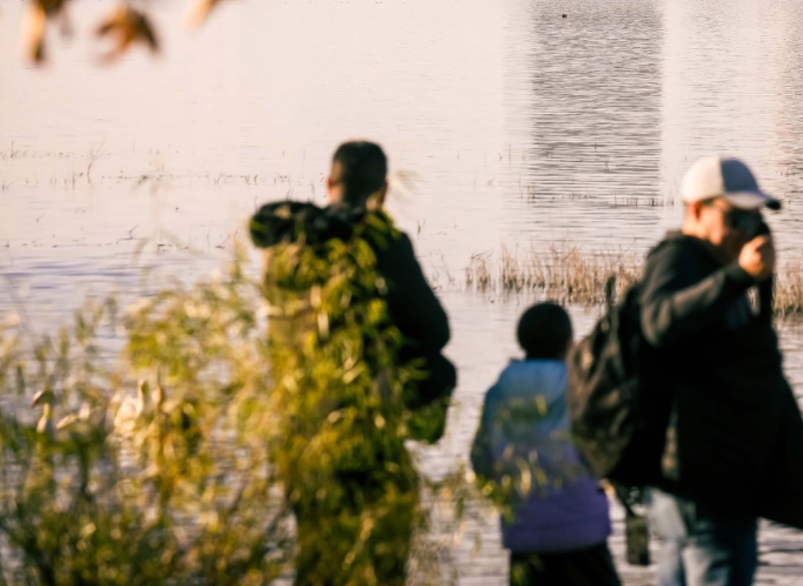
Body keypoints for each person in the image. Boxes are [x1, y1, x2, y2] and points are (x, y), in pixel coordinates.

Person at [249, 140, 455, 586]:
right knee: (382, 563)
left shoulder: (284, 244)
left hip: (300, 425)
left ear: (327, 183)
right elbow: (435, 329)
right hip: (366, 427)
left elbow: (264, 218)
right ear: (382, 190)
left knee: (317, 558)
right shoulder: (381, 242)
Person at [632, 155, 803, 586]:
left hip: (709, 477)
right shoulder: (679, 259)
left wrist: (754, 280)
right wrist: (738, 276)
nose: (746, 229)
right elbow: (659, 323)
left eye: (754, 218)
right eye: (735, 217)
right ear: (697, 209)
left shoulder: (715, 270)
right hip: (700, 482)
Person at [472, 302, 620, 586]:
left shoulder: (498, 394)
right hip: (583, 529)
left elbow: (482, 459)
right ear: (569, 343)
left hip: (524, 532)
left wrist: (503, 497)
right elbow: (604, 449)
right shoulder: (581, 387)